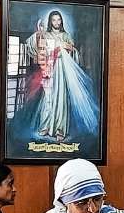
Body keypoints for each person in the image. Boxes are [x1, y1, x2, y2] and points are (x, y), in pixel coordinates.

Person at [22, 10, 100, 142]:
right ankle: (46, 125)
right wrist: (39, 34)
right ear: (50, 21)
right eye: (54, 20)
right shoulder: (45, 35)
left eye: (58, 20)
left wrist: (66, 47)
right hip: (49, 71)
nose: (56, 22)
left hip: (62, 73)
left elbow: (74, 53)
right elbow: (34, 45)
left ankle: (60, 129)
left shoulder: (66, 36)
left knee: (61, 100)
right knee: (48, 99)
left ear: (61, 21)